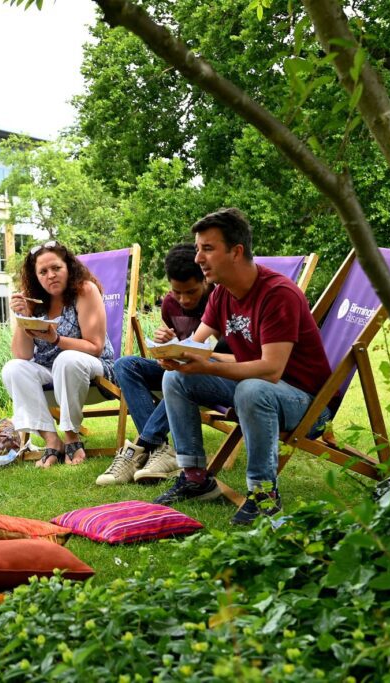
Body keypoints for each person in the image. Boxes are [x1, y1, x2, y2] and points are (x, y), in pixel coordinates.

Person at [154, 208, 332, 525]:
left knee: (252, 389)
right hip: (260, 389)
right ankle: (195, 477)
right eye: (198, 249)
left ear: (236, 252)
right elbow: (196, 345)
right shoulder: (222, 294)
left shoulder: (278, 294)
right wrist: (174, 354)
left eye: (207, 248)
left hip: (305, 403)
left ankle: (264, 496)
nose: (198, 258)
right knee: (175, 379)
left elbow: (271, 370)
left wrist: (207, 366)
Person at [97, 243, 214, 486]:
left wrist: (181, 352)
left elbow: (214, 350)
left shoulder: (218, 300)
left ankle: (141, 447)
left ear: (205, 279)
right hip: (179, 367)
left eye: (191, 292)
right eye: (177, 292)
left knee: (180, 374)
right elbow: (180, 345)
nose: (184, 299)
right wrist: (167, 344)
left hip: (210, 373)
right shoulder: (170, 303)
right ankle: (160, 449)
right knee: (125, 365)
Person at [2, 240, 117, 468]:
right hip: (51, 371)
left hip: (93, 369)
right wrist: (24, 317)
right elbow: (22, 354)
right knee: (12, 368)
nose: (51, 275)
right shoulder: (34, 300)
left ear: (69, 267)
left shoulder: (85, 290)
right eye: (43, 272)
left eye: (56, 268)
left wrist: (56, 339)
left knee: (66, 359)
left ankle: (71, 437)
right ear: (36, 276)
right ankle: (52, 440)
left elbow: (95, 346)